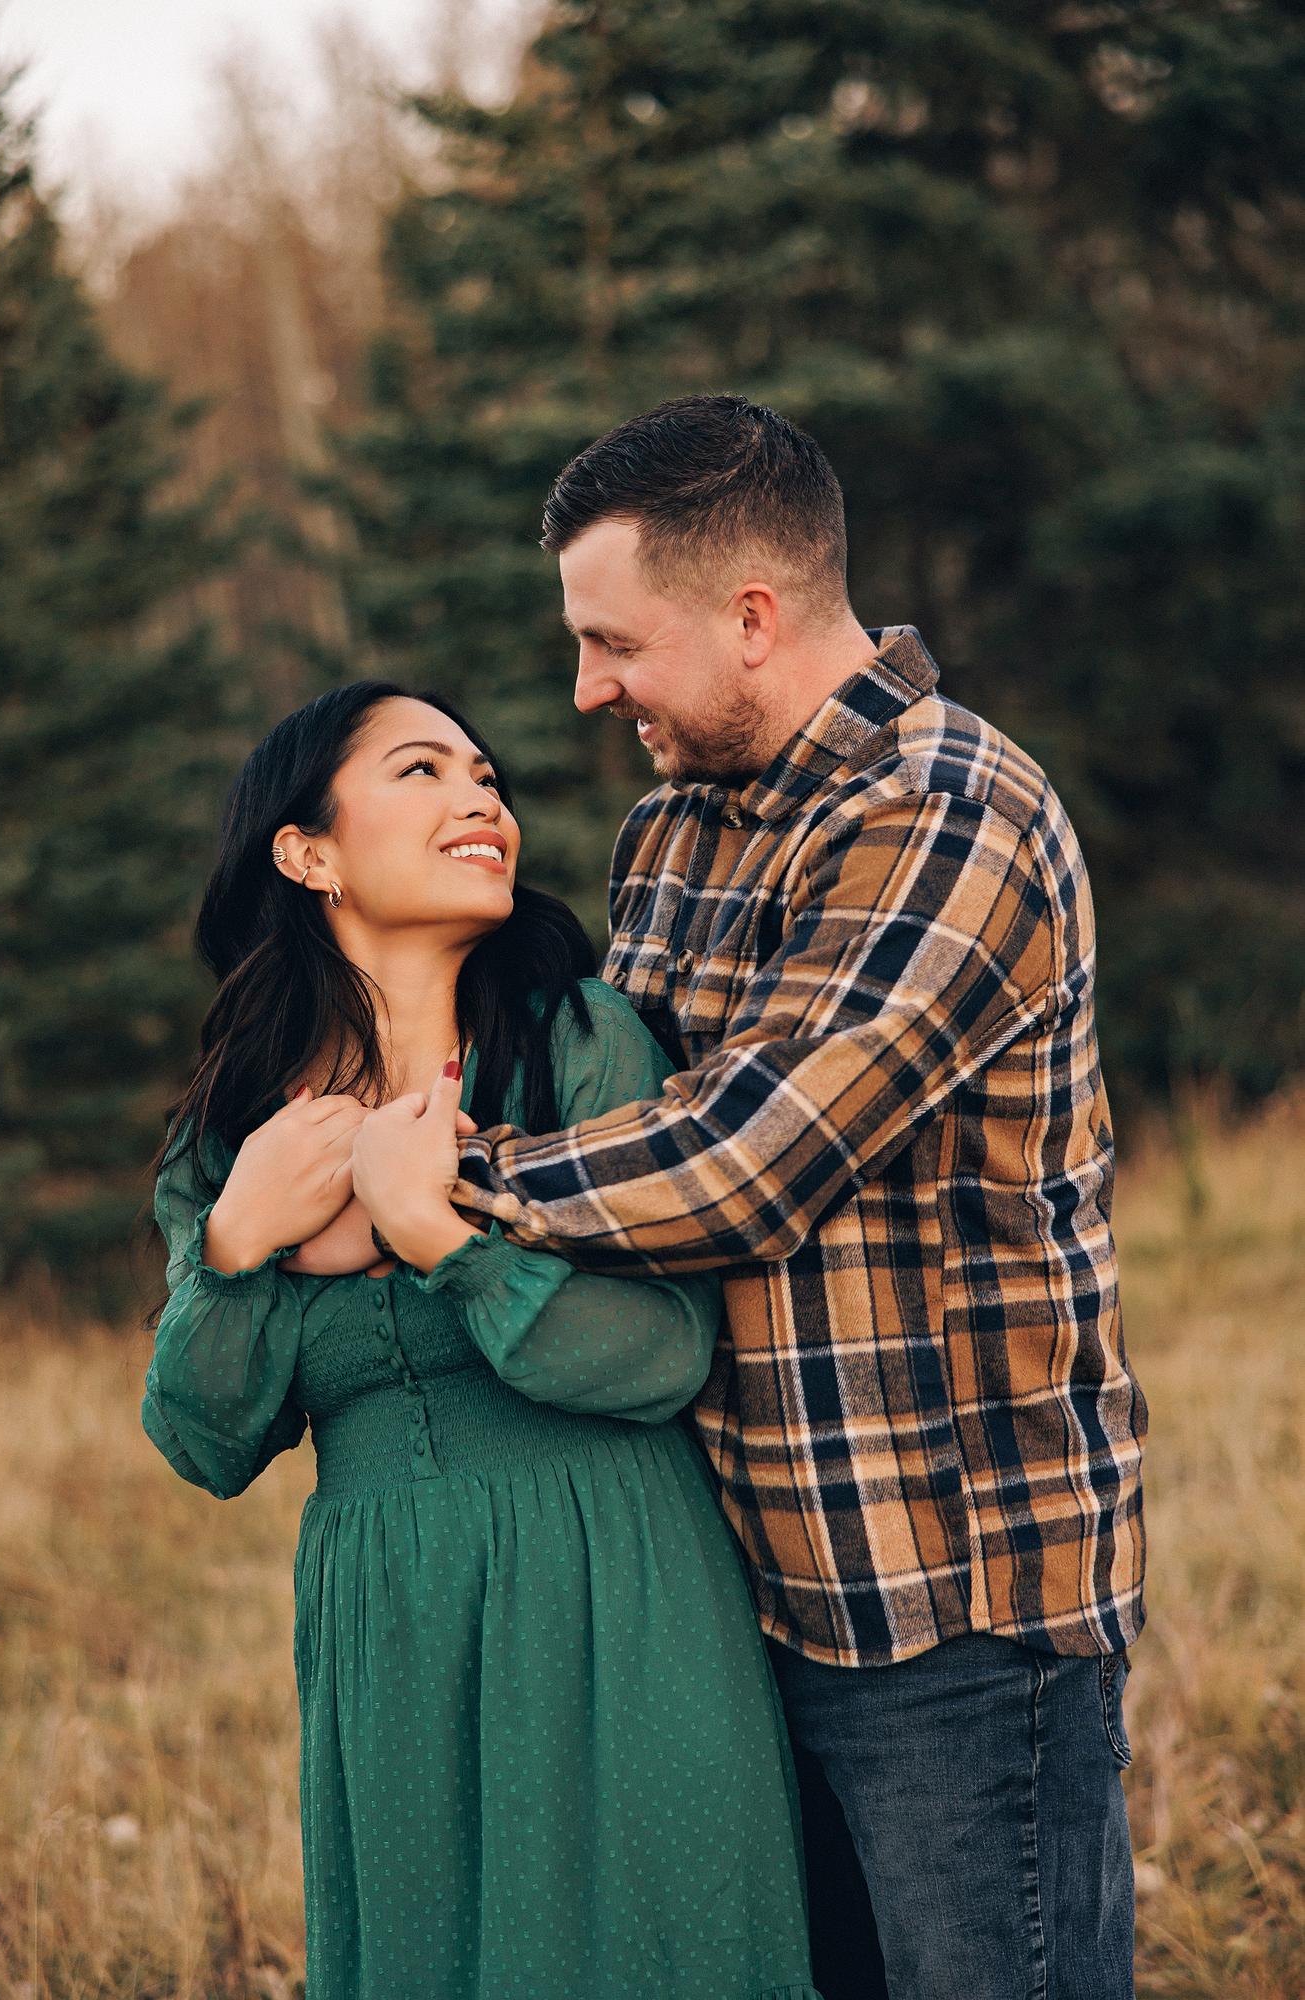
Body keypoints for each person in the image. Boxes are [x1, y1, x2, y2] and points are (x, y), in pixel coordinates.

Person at [363, 396, 1149, 2000]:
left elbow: (742, 1163)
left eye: (612, 644)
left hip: (943, 1607)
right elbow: (613, 1116)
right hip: (735, 1588)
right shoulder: (670, 832)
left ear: (749, 617)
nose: (585, 690)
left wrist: (439, 1180)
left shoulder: (946, 812)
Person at [140, 682, 824, 2000]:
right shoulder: (238, 1125)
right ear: (308, 853)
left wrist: (439, 1239)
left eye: (488, 777)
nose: (481, 800)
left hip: (613, 1594)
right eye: (423, 771)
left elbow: (658, 1356)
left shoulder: (580, 1044)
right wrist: (235, 1241)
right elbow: (204, 1441)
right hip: (390, 1628)